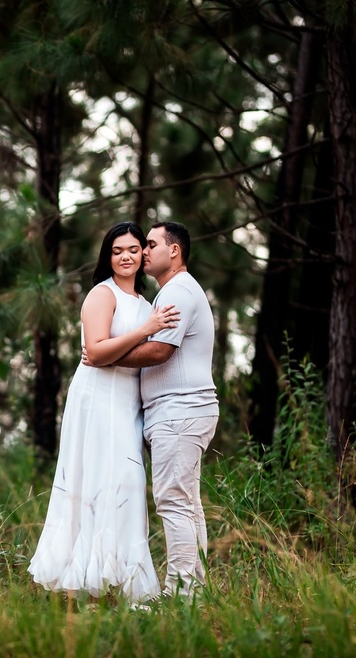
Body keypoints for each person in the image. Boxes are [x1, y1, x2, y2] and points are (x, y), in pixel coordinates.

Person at [28, 221, 180, 602]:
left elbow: (137, 356)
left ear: (143, 255)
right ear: (107, 257)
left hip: (127, 402)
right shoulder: (102, 295)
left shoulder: (148, 305)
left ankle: (120, 583)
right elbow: (95, 353)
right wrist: (146, 329)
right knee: (95, 482)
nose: (126, 256)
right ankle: (83, 584)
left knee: (127, 485)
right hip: (96, 401)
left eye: (133, 249)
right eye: (117, 251)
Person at [109, 221, 219, 599]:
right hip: (179, 412)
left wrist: (108, 354)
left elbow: (160, 350)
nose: (143, 252)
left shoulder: (177, 291)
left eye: (151, 244)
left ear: (174, 251)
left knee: (174, 503)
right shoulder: (174, 291)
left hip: (180, 412)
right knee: (186, 504)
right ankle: (195, 593)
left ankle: (182, 595)